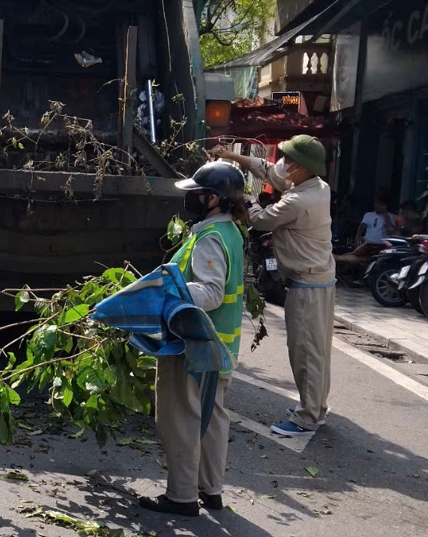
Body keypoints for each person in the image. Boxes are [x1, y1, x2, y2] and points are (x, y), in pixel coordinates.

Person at [139, 162, 246, 517]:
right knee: (213, 418)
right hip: (219, 347)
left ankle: (182, 496)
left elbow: (211, 292)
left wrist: (167, 295)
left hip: (193, 345)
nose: (191, 198)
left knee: (180, 417)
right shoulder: (230, 232)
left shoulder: (210, 238)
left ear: (214, 198)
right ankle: (210, 491)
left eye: (197, 193)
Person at [211, 135, 335, 437]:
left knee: (306, 351)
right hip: (319, 280)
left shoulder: (299, 200)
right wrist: (232, 156)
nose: (284, 164)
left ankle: (306, 419)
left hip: (308, 285)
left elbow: (261, 221)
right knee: (316, 350)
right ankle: (315, 407)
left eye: (290, 160)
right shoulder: (315, 186)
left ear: (303, 167)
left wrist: (249, 200)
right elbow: (269, 171)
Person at [334, 195, 401, 265]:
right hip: (367, 242)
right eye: (377, 204)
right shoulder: (368, 215)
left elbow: (391, 232)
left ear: (386, 206)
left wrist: (386, 218)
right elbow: (362, 227)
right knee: (355, 254)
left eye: (381, 205)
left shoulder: (390, 216)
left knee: (359, 257)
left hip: (381, 244)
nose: (378, 206)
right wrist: (358, 236)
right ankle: (339, 259)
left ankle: (338, 258)